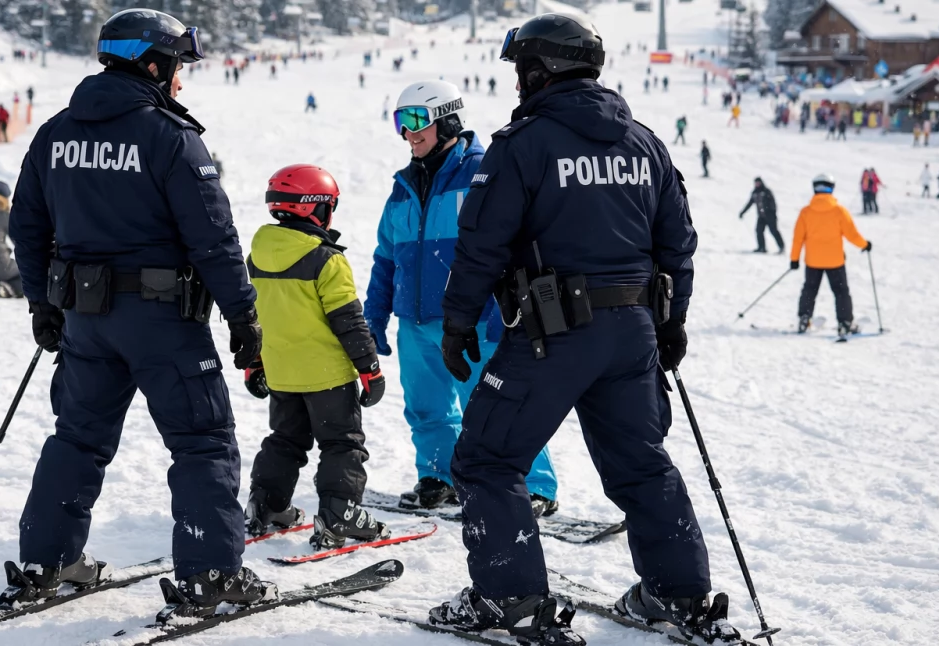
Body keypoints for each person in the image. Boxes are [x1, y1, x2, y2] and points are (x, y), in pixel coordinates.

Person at [430, 12, 737, 644]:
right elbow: (676, 245)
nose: (518, 83)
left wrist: (459, 322)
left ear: (542, 70)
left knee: (486, 458)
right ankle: (676, 594)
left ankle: (508, 597)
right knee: (641, 462)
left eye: (522, 70)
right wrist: (670, 322)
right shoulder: (646, 143)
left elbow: (482, 241)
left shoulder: (524, 144)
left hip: (555, 329)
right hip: (633, 332)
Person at [6, 8, 271, 618]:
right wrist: (243, 318)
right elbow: (214, 240)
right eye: (178, 66)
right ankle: (212, 578)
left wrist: (43, 303)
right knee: (203, 443)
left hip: (84, 320)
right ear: (152, 64)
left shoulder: (54, 133)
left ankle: (45, 562)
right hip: (162, 321)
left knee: (76, 438)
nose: (181, 79)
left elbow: (27, 225)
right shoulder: (170, 136)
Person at [366, 80, 558, 513]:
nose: (407, 133)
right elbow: (385, 259)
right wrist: (375, 317)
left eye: (416, 120)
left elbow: (513, 245)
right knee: (426, 409)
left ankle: (535, 484)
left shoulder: (481, 174)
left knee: (496, 409)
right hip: (414, 323)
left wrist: (505, 313)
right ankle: (438, 477)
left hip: (474, 320)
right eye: (401, 122)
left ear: (448, 119)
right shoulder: (402, 187)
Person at [243, 164, 387, 548]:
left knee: (285, 440)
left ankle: (266, 505)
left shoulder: (256, 256)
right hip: (327, 376)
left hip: (281, 373)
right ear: (315, 208)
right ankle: (340, 513)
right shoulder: (326, 259)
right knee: (342, 443)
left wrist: (254, 363)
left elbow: (252, 317)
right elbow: (349, 322)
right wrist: (370, 370)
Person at [791, 174, 870, 338]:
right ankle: (845, 322)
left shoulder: (806, 212)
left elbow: (798, 238)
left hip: (813, 261)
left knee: (809, 290)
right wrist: (865, 245)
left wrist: (794, 259)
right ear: (831, 188)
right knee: (841, 292)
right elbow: (852, 234)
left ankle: (804, 319)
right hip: (835, 261)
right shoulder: (839, 211)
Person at [738, 177, 784, 253]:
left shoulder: (766, 191)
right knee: (759, 231)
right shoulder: (755, 193)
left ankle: (781, 247)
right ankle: (761, 247)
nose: (757, 184)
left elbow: (773, 203)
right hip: (761, 217)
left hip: (770, 216)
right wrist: (742, 212)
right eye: (756, 183)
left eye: (758, 183)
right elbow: (749, 203)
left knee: (773, 231)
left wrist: (772, 213)